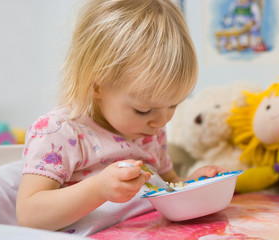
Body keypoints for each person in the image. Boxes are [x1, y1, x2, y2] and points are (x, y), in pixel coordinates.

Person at [16, 0, 225, 236]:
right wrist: (98, 190)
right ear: (96, 86)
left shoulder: (150, 130)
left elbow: (168, 186)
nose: (161, 121)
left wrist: (191, 183)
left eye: (173, 105)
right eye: (143, 110)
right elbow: (29, 216)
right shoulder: (59, 132)